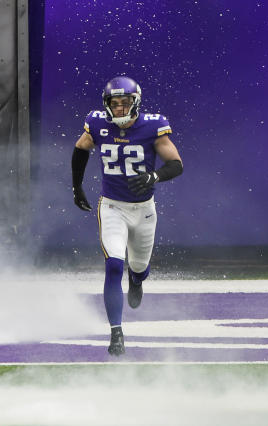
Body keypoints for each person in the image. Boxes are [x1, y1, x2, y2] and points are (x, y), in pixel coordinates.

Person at [71, 76, 183, 356]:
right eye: (114, 103)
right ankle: (116, 333)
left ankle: (137, 280)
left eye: (125, 103)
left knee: (139, 267)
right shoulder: (97, 123)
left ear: (136, 103)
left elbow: (176, 164)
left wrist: (154, 176)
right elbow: (81, 148)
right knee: (113, 266)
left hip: (144, 210)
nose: (119, 109)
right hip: (112, 206)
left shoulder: (153, 126)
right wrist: (77, 186)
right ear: (106, 105)